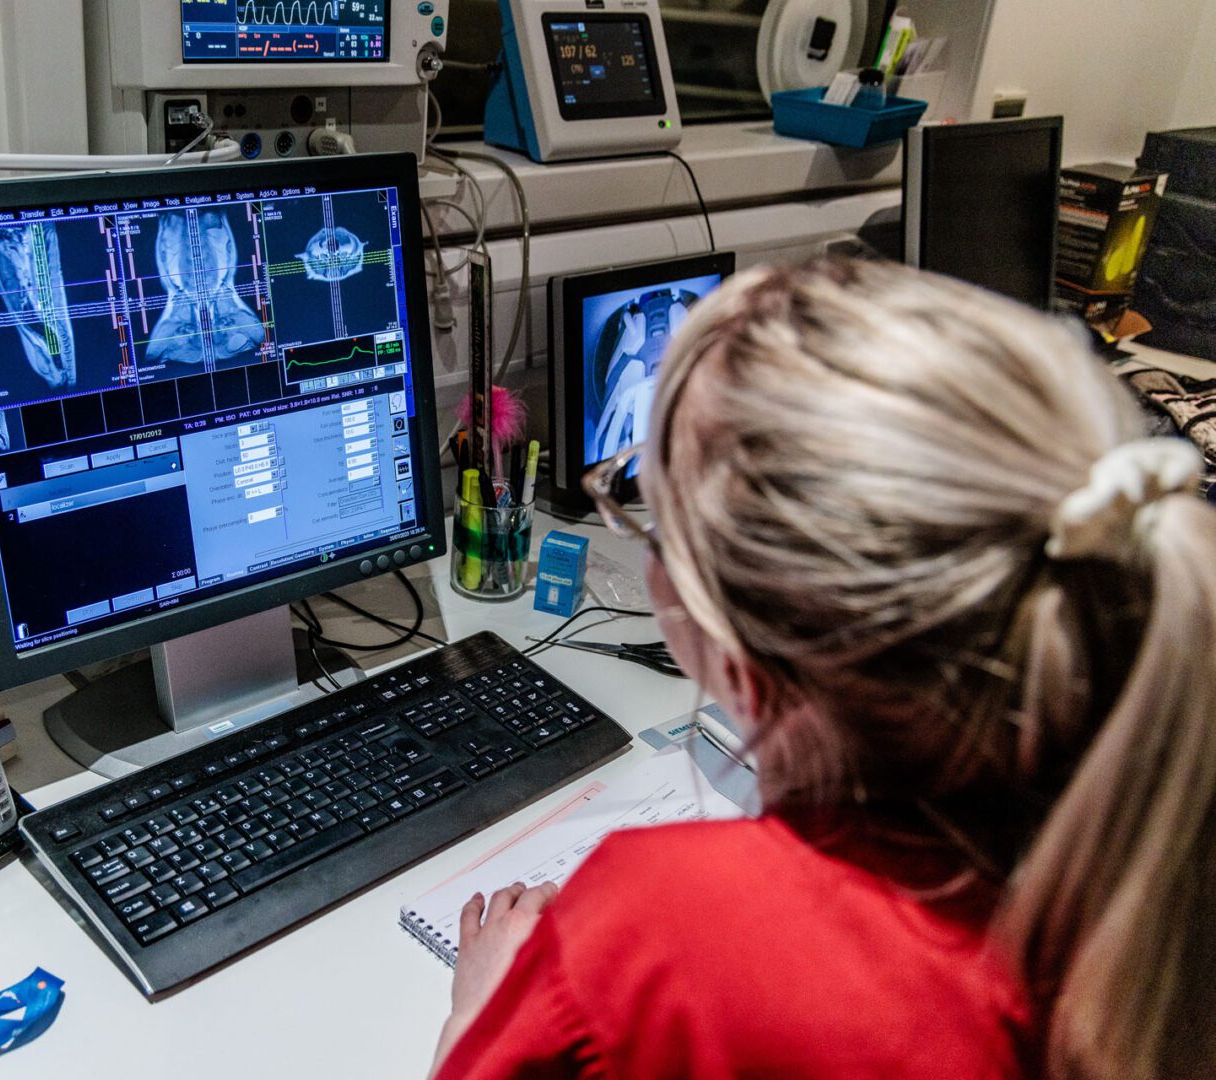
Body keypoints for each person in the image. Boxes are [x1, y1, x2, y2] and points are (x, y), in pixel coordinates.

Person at [429, 258, 1216, 1080]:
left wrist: (483, 1010)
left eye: (648, 508)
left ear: (734, 625)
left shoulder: (656, 934)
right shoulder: (1147, 845)